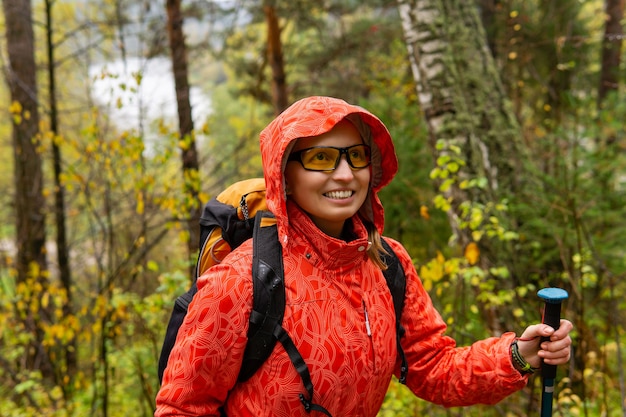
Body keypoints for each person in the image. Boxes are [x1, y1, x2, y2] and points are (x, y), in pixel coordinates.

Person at [154, 96, 573, 416]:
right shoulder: (240, 282)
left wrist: (518, 355)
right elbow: (182, 408)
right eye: (320, 158)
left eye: (355, 156)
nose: (344, 174)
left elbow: (433, 367)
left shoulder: (387, 263)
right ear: (284, 174)